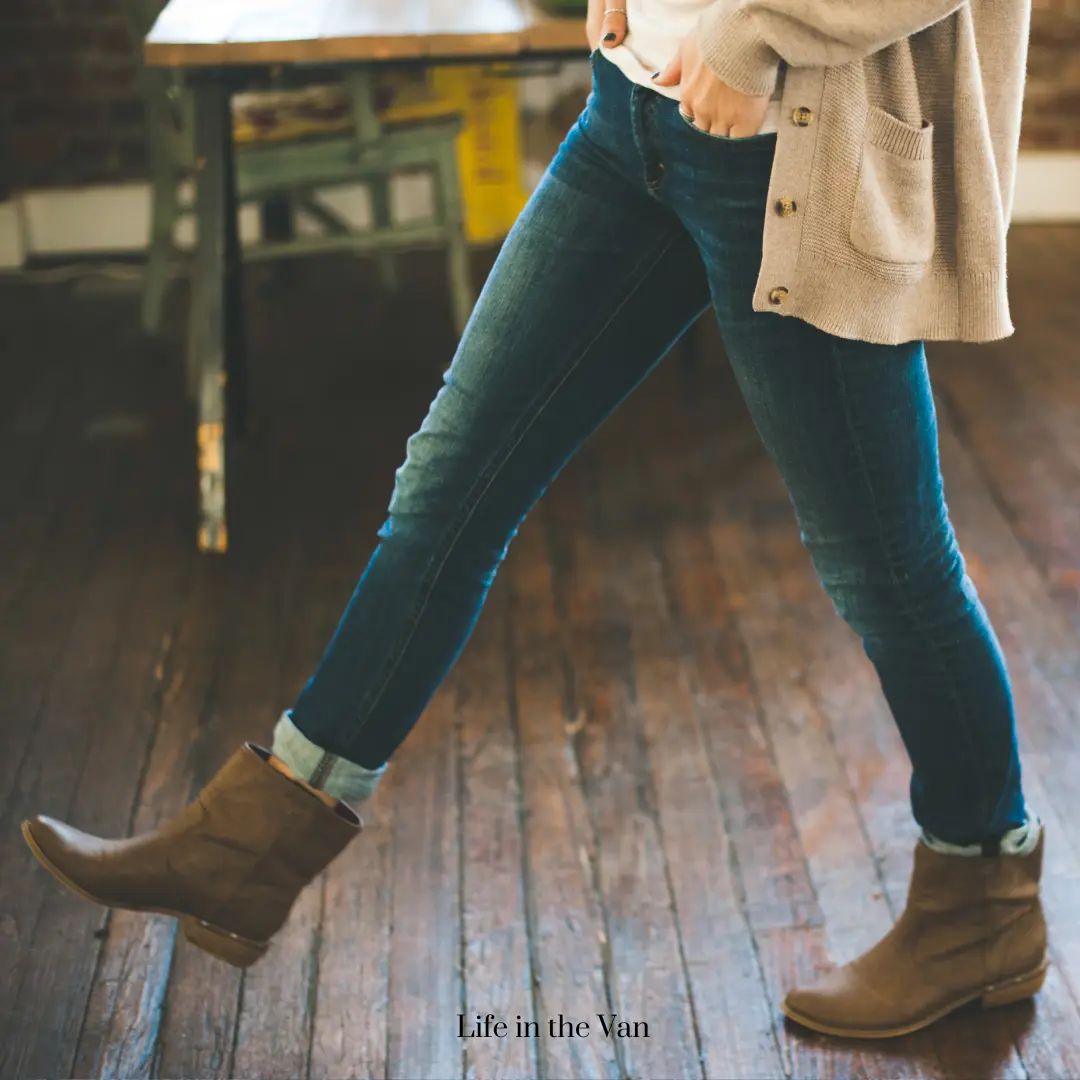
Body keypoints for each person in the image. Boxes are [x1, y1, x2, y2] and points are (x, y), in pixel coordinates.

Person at [22, 0, 1046, 1042]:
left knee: (887, 568)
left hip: (785, 150)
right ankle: (253, 843)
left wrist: (750, 36)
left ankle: (982, 903)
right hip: (632, 116)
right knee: (453, 479)